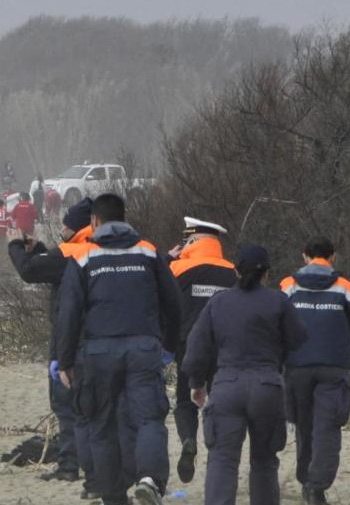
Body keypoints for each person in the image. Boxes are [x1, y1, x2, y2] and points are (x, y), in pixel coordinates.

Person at [56, 193, 182, 505]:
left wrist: (65, 360)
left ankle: (113, 496)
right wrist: (169, 346)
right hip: (143, 349)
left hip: (97, 354)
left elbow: (69, 313)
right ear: (125, 219)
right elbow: (175, 304)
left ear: (94, 222)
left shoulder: (83, 256)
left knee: (101, 426)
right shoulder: (149, 252)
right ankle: (150, 479)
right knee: (149, 419)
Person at [182, 245, 308, 505]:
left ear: (236, 272)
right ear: (267, 274)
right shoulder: (278, 301)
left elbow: (196, 347)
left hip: (227, 386)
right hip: (268, 387)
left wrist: (196, 383)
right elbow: (298, 339)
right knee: (264, 461)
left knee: (222, 460)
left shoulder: (219, 302)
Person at [8, 197, 99, 499]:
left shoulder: (71, 252)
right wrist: (43, 250)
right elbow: (53, 264)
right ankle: (96, 466)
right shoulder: (101, 248)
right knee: (98, 408)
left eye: (64, 224)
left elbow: (30, 272)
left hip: (68, 339)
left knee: (65, 405)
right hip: (103, 340)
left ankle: (70, 465)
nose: (60, 229)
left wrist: (16, 247)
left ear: (77, 227)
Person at [165, 217, 237, 484]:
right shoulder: (234, 272)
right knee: (218, 401)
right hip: (225, 348)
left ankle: (187, 440)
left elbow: (164, 303)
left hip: (188, 344)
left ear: (194, 241)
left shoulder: (178, 268)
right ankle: (217, 448)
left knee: (185, 398)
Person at [280, 236, 350, 505]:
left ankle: (305, 478)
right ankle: (316, 486)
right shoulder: (344, 287)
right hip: (334, 366)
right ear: (332, 258)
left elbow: (278, 323)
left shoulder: (289, 285)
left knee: (305, 426)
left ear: (304, 257)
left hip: (297, 366)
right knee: (328, 427)